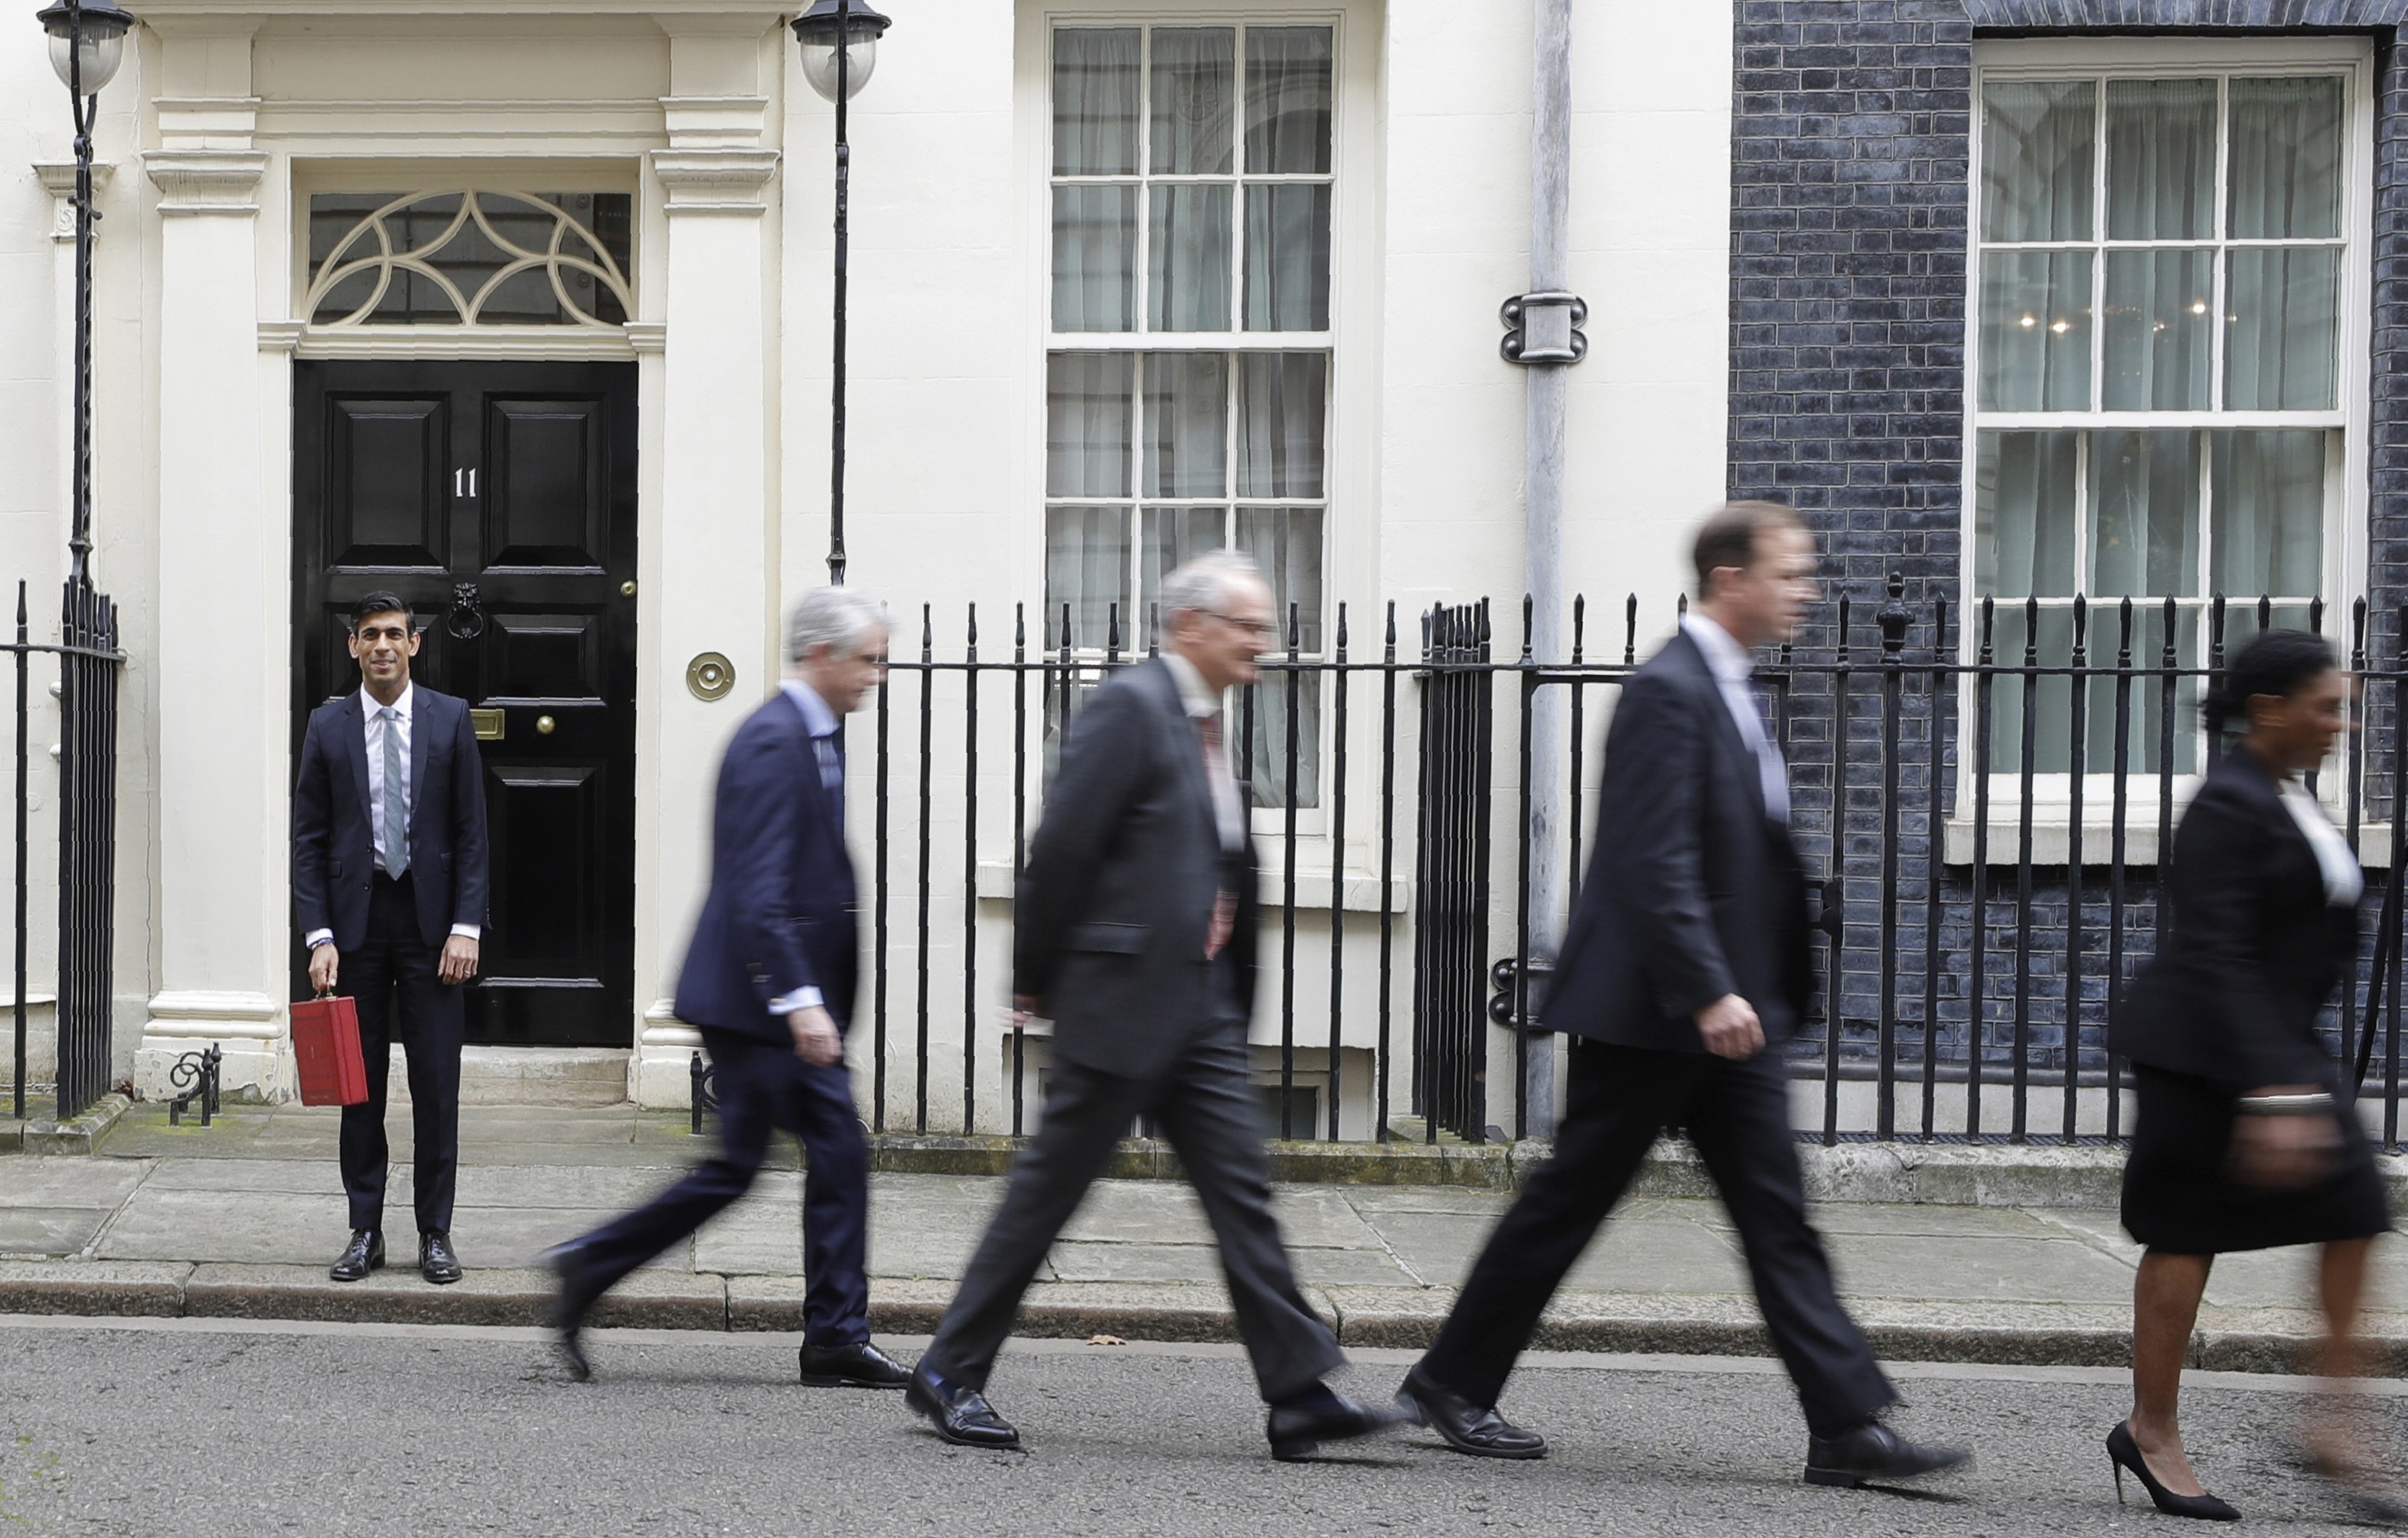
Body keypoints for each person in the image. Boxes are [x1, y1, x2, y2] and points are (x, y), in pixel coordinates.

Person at [1393, 503, 1966, 1487]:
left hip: (1725, 1020)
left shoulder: (1727, 686)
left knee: (1773, 1215)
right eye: (1787, 574)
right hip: (1661, 1016)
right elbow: (1650, 858)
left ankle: (1844, 1425)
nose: (1805, 591)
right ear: (1728, 578)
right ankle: (1450, 1382)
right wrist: (1707, 991)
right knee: (1568, 1204)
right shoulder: (1669, 688)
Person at [906, 551, 1405, 1461]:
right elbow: (1059, 847)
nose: (1263, 641)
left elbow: (1213, 861)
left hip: (1200, 1009)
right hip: (1122, 997)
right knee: (1045, 1198)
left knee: (1240, 1198)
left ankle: (1297, 1396)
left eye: (1263, 625)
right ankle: (947, 1371)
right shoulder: (1131, 708)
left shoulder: (1207, 718)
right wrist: (1032, 975)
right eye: (1246, 625)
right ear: (1190, 628)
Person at [542, 588, 908, 1390]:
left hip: (775, 1002)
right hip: (760, 1004)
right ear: (822, 655)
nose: (876, 675)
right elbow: (757, 888)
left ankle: (833, 1335)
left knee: (810, 1158)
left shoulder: (816, 733)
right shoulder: (774, 740)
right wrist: (799, 1000)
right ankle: (590, 1268)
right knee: (761, 1164)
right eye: (868, 659)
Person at [2106, 629, 2397, 1523]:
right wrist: (2272, 1088)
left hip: (2274, 1046)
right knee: (2183, 1233)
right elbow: (2216, 953)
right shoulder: (2225, 805)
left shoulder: (2284, 793)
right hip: (2201, 1053)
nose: (2336, 724)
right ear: (2268, 710)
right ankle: (2149, 1428)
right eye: (2324, 707)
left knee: (2354, 1210)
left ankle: (2332, 1426)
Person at [293, 591, 490, 1285]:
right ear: (353, 646)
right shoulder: (328, 725)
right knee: (360, 1087)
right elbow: (308, 840)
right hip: (355, 929)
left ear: (415, 644)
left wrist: (467, 926)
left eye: (394, 635)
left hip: (433, 928)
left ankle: (435, 1232)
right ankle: (364, 1229)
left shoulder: (451, 718)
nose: (382, 645)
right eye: (369, 634)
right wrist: (318, 936)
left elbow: (471, 831)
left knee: (437, 1084)